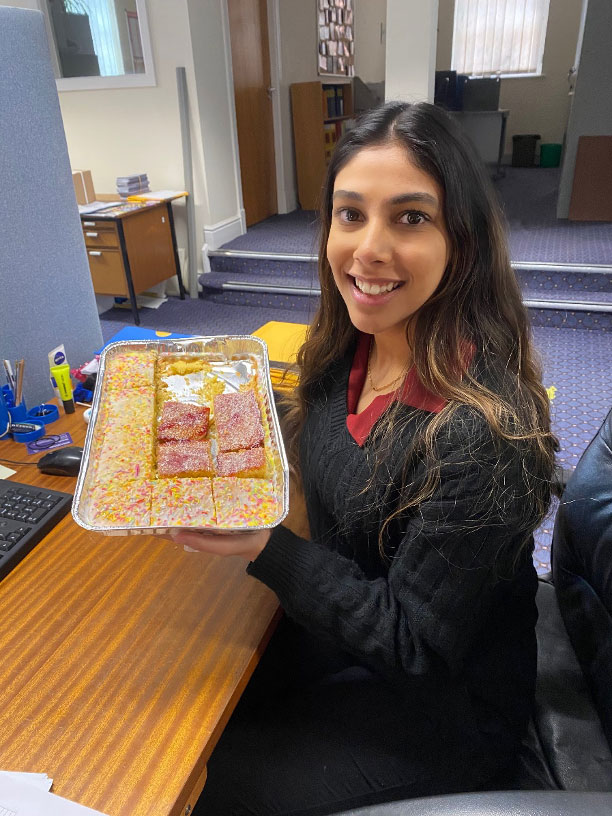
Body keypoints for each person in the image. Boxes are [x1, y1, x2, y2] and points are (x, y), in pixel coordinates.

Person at [170, 101, 558, 815]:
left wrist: (265, 546)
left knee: (201, 785)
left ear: (461, 242)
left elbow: (416, 648)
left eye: (410, 217)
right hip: (348, 642)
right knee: (175, 708)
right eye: (350, 215)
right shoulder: (346, 348)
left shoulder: (480, 436)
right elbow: (328, 450)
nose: (368, 249)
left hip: (442, 708)